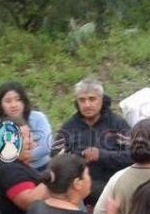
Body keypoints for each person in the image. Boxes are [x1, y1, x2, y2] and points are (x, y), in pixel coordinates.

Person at [53, 78, 131, 206]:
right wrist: (76, 159)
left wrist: (102, 155)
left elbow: (133, 156)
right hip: (77, 187)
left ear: (101, 99)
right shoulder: (69, 127)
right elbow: (55, 155)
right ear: (77, 102)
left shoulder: (117, 124)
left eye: (92, 99)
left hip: (111, 184)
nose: (87, 104)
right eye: (82, 100)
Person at [0, 82, 53, 172]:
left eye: (18, 100)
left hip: (42, 167)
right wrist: (22, 156)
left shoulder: (38, 117)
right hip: (11, 171)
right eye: (8, 101)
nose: (14, 105)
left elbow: (46, 146)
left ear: (24, 101)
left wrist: (11, 153)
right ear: (0, 105)